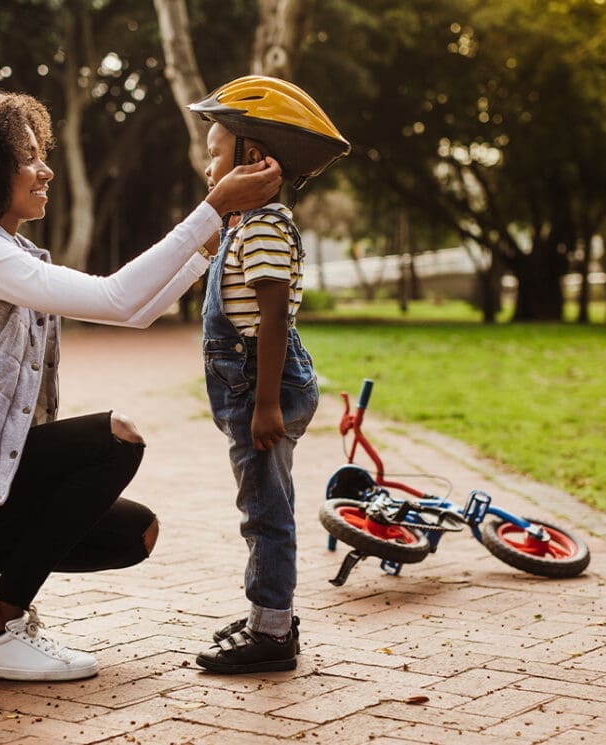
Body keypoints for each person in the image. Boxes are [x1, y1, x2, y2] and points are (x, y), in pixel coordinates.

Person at [0, 88, 282, 682]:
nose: (44, 169)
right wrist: (211, 208)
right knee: (116, 440)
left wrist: (216, 230)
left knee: (133, 533)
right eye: (28, 157)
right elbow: (117, 297)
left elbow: (138, 309)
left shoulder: (2, 250)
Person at [185, 76, 350, 673]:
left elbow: (274, 319)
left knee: (265, 511)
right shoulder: (240, 226)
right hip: (255, 384)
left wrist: (265, 406)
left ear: (252, 157)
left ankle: (272, 632)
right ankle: (266, 617)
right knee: (264, 501)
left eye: (213, 154)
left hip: (264, 385)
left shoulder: (262, 227)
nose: (206, 168)